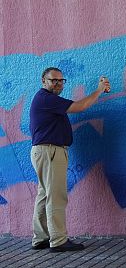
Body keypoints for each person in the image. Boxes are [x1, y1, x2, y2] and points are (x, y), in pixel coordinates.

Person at [29, 68, 110, 252]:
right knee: (56, 196)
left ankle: (41, 238)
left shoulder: (47, 100)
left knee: (45, 195)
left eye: (61, 80)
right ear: (43, 81)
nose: (58, 83)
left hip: (45, 152)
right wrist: (99, 90)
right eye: (53, 80)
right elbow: (80, 107)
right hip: (50, 152)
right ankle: (58, 240)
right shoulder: (46, 98)